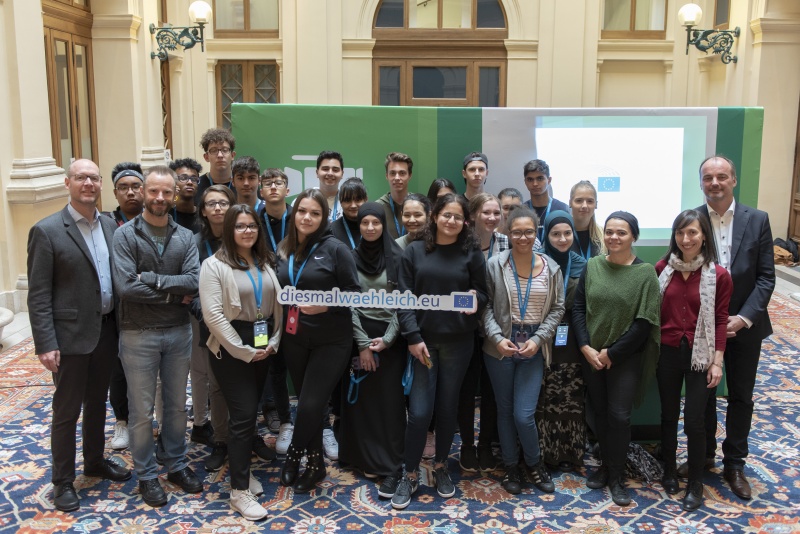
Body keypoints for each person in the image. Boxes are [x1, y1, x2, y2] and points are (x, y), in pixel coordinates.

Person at [27, 159, 132, 512]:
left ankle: (94, 461)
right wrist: (46, 343)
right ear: (67, 182)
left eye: (93, 178)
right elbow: (39, 293)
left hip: (105, 331)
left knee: (97, 403)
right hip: (69, 337)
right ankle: (62, 480)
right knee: (66, 410)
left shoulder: (109, 225)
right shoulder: (47, 231)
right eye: (80, 177)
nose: (88, 183)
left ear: (101, 184)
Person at [112, 165, 203, 507]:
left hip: (178, 333)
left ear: (174, 194)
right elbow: (126, 287)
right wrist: (171, 294)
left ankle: (177, 465)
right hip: (138, 334)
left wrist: (154, 279)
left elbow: (193, 281)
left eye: (167, 192)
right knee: (141, 412)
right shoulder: (125, 236)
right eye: (154, 191)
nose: (160, 198)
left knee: (178, 407)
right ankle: (148, 475)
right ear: (145, 192)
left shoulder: (184, 237)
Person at [392, 193, 489, 510]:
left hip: (459, 343)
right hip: (424, 343)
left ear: (465, 222)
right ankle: (409, 473)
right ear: (434, 217)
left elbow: (482, 296)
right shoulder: (414, 251)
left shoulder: (472, 252)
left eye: (458, 217)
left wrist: (472, 299)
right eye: (446, 215)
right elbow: (404, 298)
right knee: (420, 412)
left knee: (448, 409)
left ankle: (441, 465)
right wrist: (413, 337)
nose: (451, 221)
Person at [689, 155, 775, 501]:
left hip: (745, 325)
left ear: (734, 180)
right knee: (703, 394)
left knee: (740, 395)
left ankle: (734, 464)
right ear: (701, 183)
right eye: (708, 178)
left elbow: (767, 276)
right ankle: (706, 454)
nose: (715, 183)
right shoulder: (693, 219)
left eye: (721, 177)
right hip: (705, 328)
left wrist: (744, 317)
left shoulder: (758, 220)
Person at [200, 204, 283, 520]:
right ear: (228, 230)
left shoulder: (264, 261)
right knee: (244, 416)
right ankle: (238, 492)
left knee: (248, 417)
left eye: (252, 226)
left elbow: (278, 305)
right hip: (230, 348)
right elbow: (214, 316)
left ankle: (242, 469)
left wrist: (274, 341)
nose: (247, 231)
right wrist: (243, 351)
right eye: (240, 226)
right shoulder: (213, 265)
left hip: (262, 345)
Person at [276, 189, 361, 493]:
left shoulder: (336, 249)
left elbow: (356, 294)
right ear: (294, 213)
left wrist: (326, 304)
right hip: (295, 337)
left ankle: (294, 455)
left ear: (324, 217)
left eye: (314, 213)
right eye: (302, 211)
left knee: (312, 404)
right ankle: (315, 464)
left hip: (331, 340)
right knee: (307, 405)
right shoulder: (284, 249)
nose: (307, 217)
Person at [573, 211, 660, 507]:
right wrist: (585, 347)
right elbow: (578, 308)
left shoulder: (645, 273)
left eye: (621, 232)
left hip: (623, 358)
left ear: (633, 236)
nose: (613, 237)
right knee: (598, 414)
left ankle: (617, 476)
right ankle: (606, 467)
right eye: (609, 231)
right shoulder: (593, 266)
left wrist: (613, 353)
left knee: (619, 417)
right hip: (592, 356)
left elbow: (644, 321)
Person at [482, 207, 565, 495]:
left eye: (529, 231)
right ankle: (511, 466)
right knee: (504, 412)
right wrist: (495, 338)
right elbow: (485, 308)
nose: (523, 237)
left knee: (523, 414)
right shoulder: (494, 264)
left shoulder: (552, 268)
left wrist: (539, 339)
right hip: (500, 344)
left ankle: (534, 463)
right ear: (508, 232)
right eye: (516, 231)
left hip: (533, 344)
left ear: (537, 232)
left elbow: (557, 309)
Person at [656, 209, 732, 511]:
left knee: (695, 422)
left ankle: (696, 483)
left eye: (692, 233)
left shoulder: (719, 275)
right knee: (668, 415)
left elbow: (721, 319)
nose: (686, 239)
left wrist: (717, 361)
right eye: (680, 233)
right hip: (668, 352)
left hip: (701, 356)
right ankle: (670, 471)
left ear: (703, 237)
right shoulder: (663, 268)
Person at [338, 203, 407, 498]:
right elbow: (348, 302)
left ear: (383, 225)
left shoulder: (398, 257)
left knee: (389, 402)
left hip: (391, 338)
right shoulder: (350, 258)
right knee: (361, 402)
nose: (369, 228)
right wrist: (363, 344)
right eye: (364, 223)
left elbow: (405, 301)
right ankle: (362, 457)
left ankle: (388, 461)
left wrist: (389, 339)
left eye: (375, 223)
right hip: (358, 334)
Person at [457, 193, 508, 472]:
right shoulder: (460, 243)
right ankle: (466, 445)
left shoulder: (506, 243)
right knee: (466, 392)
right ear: (473, 214)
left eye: (496, 213)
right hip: (465, 330)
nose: (491, 218)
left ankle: (485, 444)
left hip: (496, 331)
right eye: (486, 212)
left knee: (491, 391)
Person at [537, 211, 588, 473]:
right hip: (543, 335)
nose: (562, 238)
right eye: (555, 233)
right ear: (546, 235)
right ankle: (545, 451)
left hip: (572, 336)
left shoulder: (584, 265)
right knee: (546, 394)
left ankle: (571, 451)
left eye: (567, 233)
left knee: (570, 393)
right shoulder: (536, 263)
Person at [191, 185, 236, 472]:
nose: (218, 208)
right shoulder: (193, 244)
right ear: (203, 211)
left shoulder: (245, 236)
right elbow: (190, 288)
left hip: (246, 323)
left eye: (223, 203)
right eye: (211, 204)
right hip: (210, 324)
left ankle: (247, 436)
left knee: (247, 384)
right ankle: (221, 440)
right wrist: (209, 316)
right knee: (217, 386)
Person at [103, 161, 146, 451]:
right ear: (115, 193)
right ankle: (122, 420)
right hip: (116, 309)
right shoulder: (104, 224)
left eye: (135, 187)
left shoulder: (157, 221)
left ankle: (152, 419)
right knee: (117, 367)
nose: (130, 192)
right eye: (123, 188)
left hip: (150, 306)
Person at [255, 168, 295, 454]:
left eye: (278, 183)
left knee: (303, 365)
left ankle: (318, 423)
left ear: (287, 189)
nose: (272, 188)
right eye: (267, 184)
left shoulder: (301, 217)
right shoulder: (252, 222)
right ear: (260, 191)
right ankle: (284, 421)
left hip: (298, 305)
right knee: (271, 364)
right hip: (263, 309)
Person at [521, 159, 569, 243]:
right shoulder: (521, 211)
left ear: (549, 180)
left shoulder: (562, 209)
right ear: (525, 182)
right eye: (530, 179)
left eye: (540, 178)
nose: (535, 184)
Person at [376, 152, 414, 239]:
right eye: (392, 173)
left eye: (402, 173)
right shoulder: (378, 207)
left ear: (410, 175)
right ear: (387, 176)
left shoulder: (419, 205)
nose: (397, 178)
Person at [197, 128, 236, 205]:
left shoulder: (242, 184)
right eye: (214, 151)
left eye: (225, 150)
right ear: (206, 157)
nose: (220, 155)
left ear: (232, 155)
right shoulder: (197, 185)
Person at [331, 178, 369, 249]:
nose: (353, 205)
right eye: (347, 200)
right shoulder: (332, 230)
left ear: (366, 200)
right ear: (340, 202)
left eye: (358, 200)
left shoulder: (375, 228)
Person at [569, 180, 603, 260]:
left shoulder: (604, 236)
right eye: (579, 201)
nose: (584, 205)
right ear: (570, 203)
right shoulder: (561, 235)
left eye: (590, 201)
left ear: (596, 204)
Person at [169, 158, 201, 232]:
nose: (190, 182)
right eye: (183, 178)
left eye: (194, 178)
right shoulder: (166, 215)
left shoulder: (204, 215)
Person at [315, 150, 345, 222]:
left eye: (335, 170)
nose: (330, 173)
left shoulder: (348, 201)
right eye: (325, 169)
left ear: (342, 174)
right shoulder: (304, 199)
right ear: (317, 173)